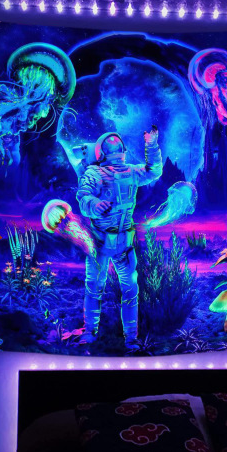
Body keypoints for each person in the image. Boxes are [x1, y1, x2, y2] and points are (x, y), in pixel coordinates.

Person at [76, 127, 162, 348]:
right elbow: (83, 197)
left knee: (130, 289)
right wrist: (95, 204)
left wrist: (151, 145)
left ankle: (131, 337)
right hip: (100, 243)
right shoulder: (94, 174)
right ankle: (90, 331)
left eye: (117, 148)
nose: (116, 152)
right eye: (112, 148)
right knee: (94, 286)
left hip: (124, 242)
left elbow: (154, 171)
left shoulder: (131, 171)